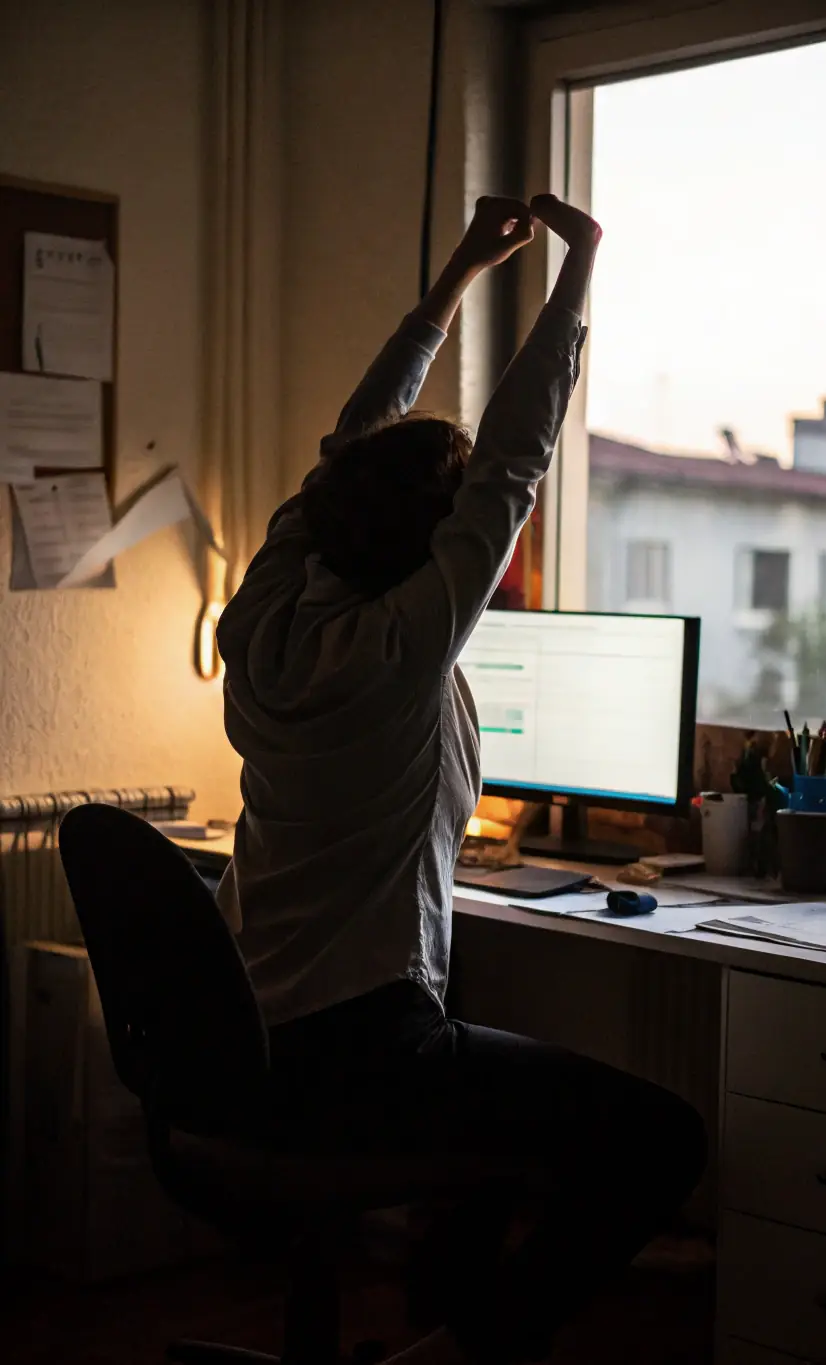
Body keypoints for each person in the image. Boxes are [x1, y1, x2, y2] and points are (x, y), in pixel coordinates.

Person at [215, 193, 707, 1365]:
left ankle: (438, 1326)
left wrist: (456, 280)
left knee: (498, 1097)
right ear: (437, 545)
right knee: (661, 1140)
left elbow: (348, 449)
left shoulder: (260, 612)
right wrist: (578, 269)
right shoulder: (402, 648)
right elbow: (517, 457)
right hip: (360, 1058)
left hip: (248, 1045)